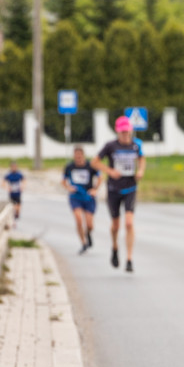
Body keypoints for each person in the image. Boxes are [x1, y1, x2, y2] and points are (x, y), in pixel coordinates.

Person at [92, 116, 145, 273]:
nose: (125, 135)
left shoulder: (136, 145)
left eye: (127, 132)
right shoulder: (110, 146)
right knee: (115, 225)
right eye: (122, 132)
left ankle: (129, 259)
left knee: (129, 223)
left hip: (130, 188)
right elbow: (94, 162)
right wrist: (109, 171)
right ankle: (115, 247)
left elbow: (142, 159)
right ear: (117, 132)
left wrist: (141, 171)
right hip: (114, 189)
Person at [63, 146, 100, 254]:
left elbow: (100, 177)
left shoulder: (90, 166)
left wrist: (95, 189)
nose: (78, 158)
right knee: (79, 219)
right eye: (76, 156)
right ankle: (83, 243)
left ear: (83, 155)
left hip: (88, 197)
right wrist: (68, 187)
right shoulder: (69, 167)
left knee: (89, 225)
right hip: (75, 197)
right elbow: (63, 180)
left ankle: (88, 234)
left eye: (80, 156)